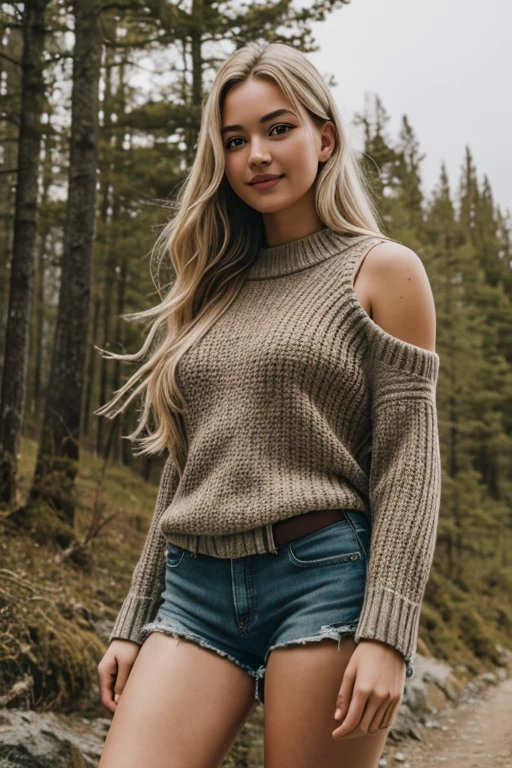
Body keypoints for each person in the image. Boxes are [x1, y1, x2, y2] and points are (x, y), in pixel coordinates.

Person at [95, 40, 441, 768]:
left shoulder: (382, 271)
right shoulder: (212, 288)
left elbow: (409, 468)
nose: (256, 153)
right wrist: (134, 619)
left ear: (325, 136)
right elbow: (187, 468)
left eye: (278, 128)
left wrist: (387, 632)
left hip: (323, 581)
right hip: (193, 590)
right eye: (234, 140)